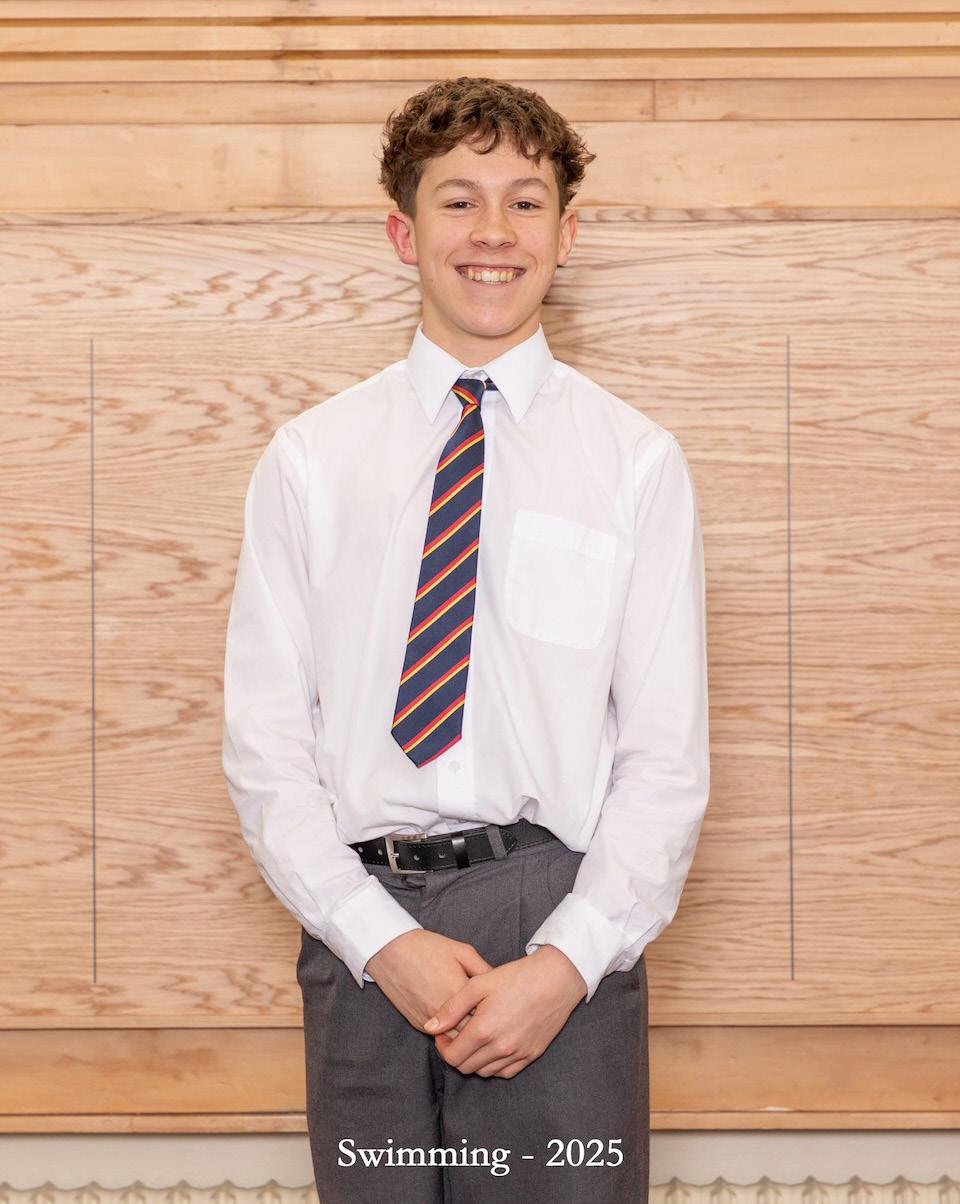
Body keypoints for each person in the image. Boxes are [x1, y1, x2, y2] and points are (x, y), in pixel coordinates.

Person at [222, 75, 710, 1204]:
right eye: (458, 201)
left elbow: (665, 760)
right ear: (404, 233)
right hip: (362, 931)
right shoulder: (310, 460)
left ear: (566, 236)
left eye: (525, 202)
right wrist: (374, 936)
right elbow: (264, 744)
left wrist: (566, 963)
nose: (494, 232)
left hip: (558, 925)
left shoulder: (635, 464)